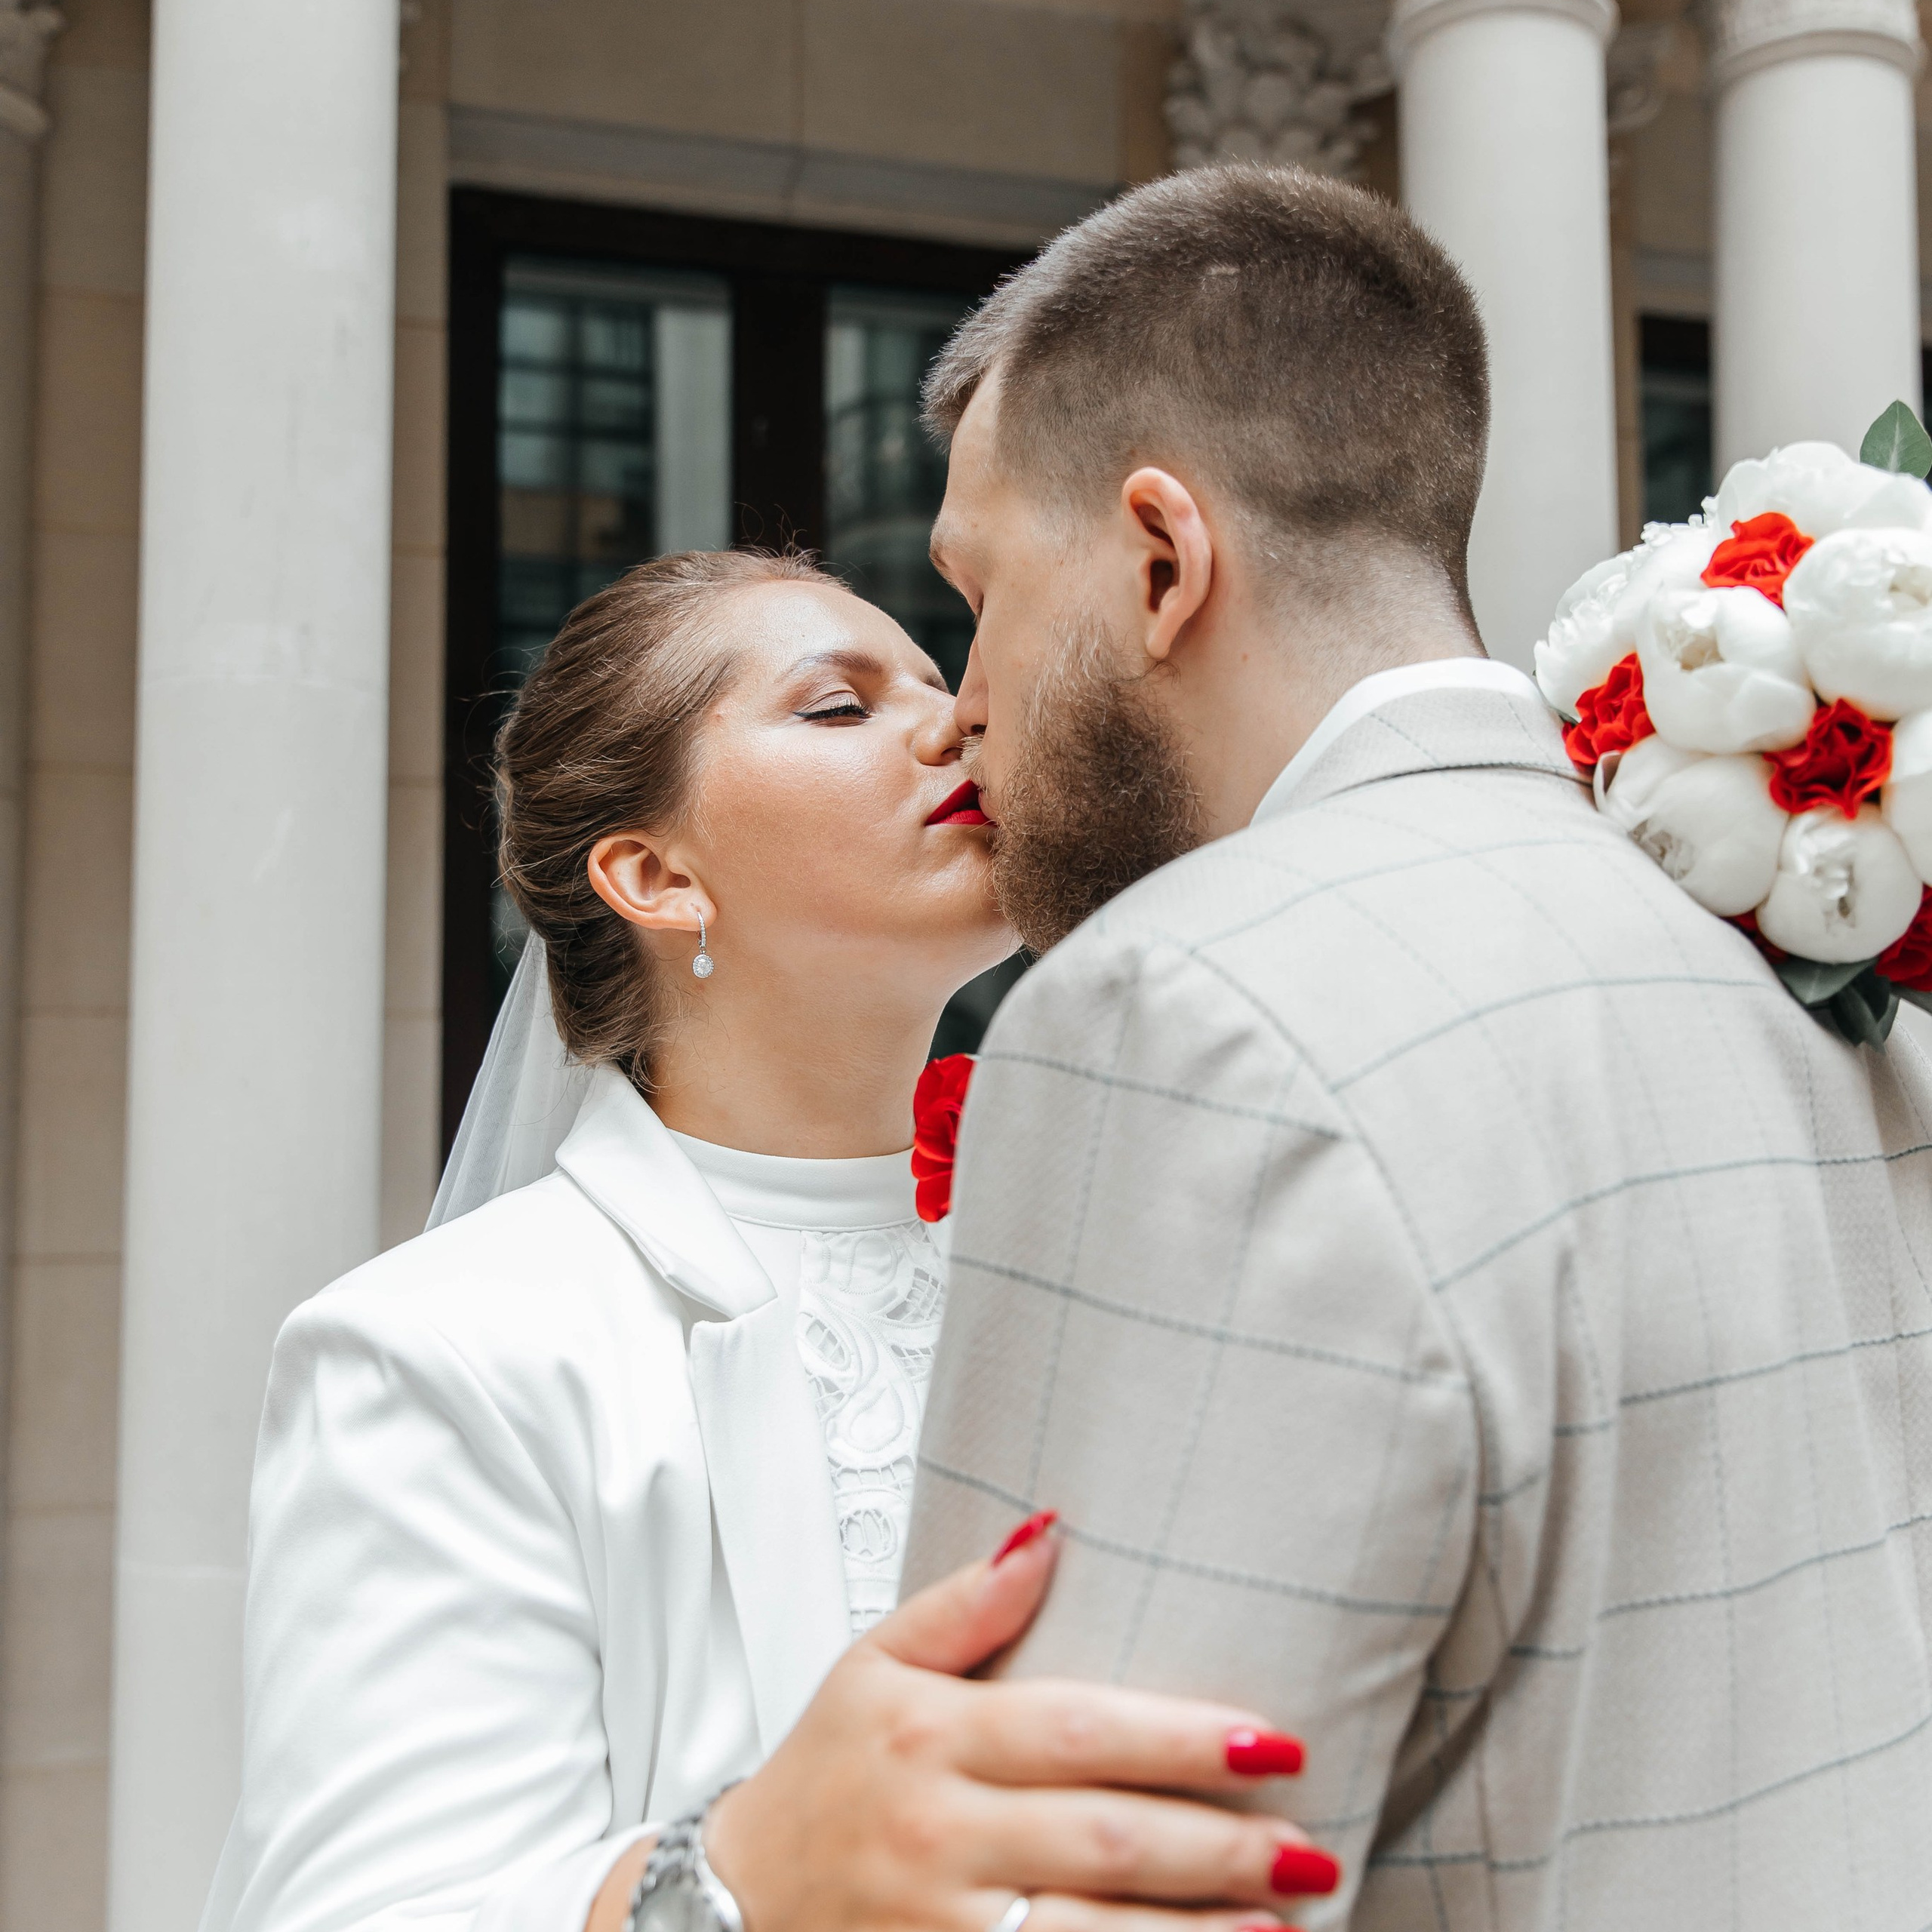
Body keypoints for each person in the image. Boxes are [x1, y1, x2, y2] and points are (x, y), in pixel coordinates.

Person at [903, 164, 1932, 1928]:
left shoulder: (1183, 1011)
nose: (958, 697)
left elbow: (1051, 1877)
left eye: (977, 593)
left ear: (1162, 559)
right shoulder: (1802, 967)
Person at [202, 548, 1343, 1932]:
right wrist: (749, 1877)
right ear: (654, 873)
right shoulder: (443, 1352)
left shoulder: (1123, 1274)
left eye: (942, 680)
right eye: (837, 706)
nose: (955, 723)